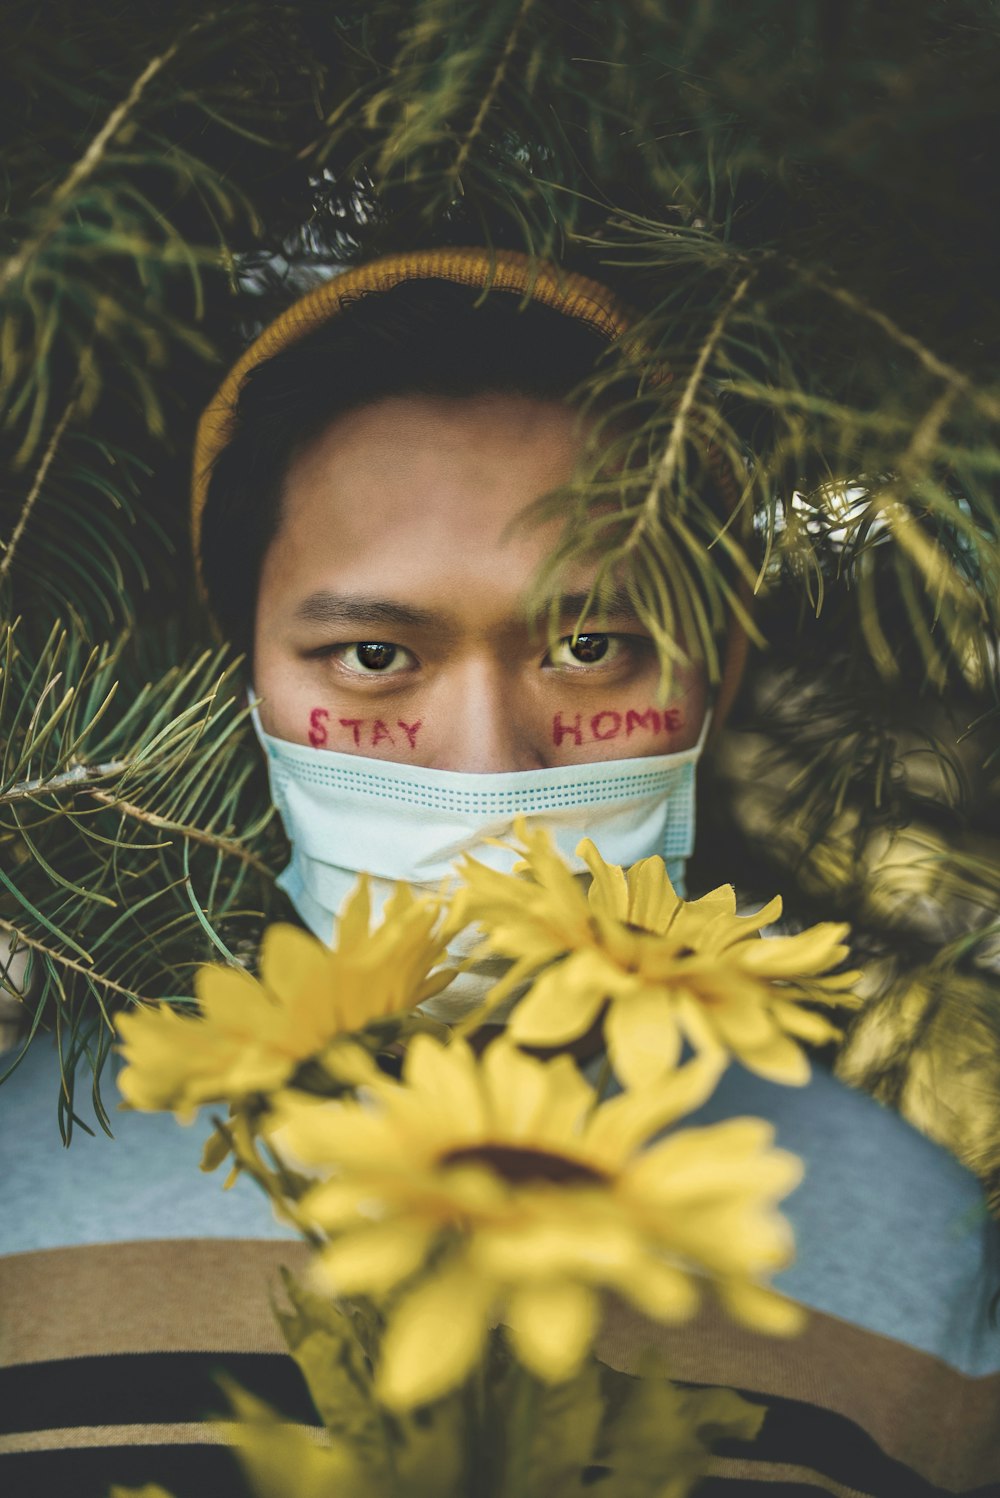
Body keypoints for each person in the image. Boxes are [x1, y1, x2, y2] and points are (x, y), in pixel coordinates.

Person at [1, 247, 997, 1498]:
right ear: (243, 680)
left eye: (590, 646)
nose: (483, 763)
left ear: (715, 677)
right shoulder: (9, 1166)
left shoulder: (926, 1254)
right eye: (372, 654)